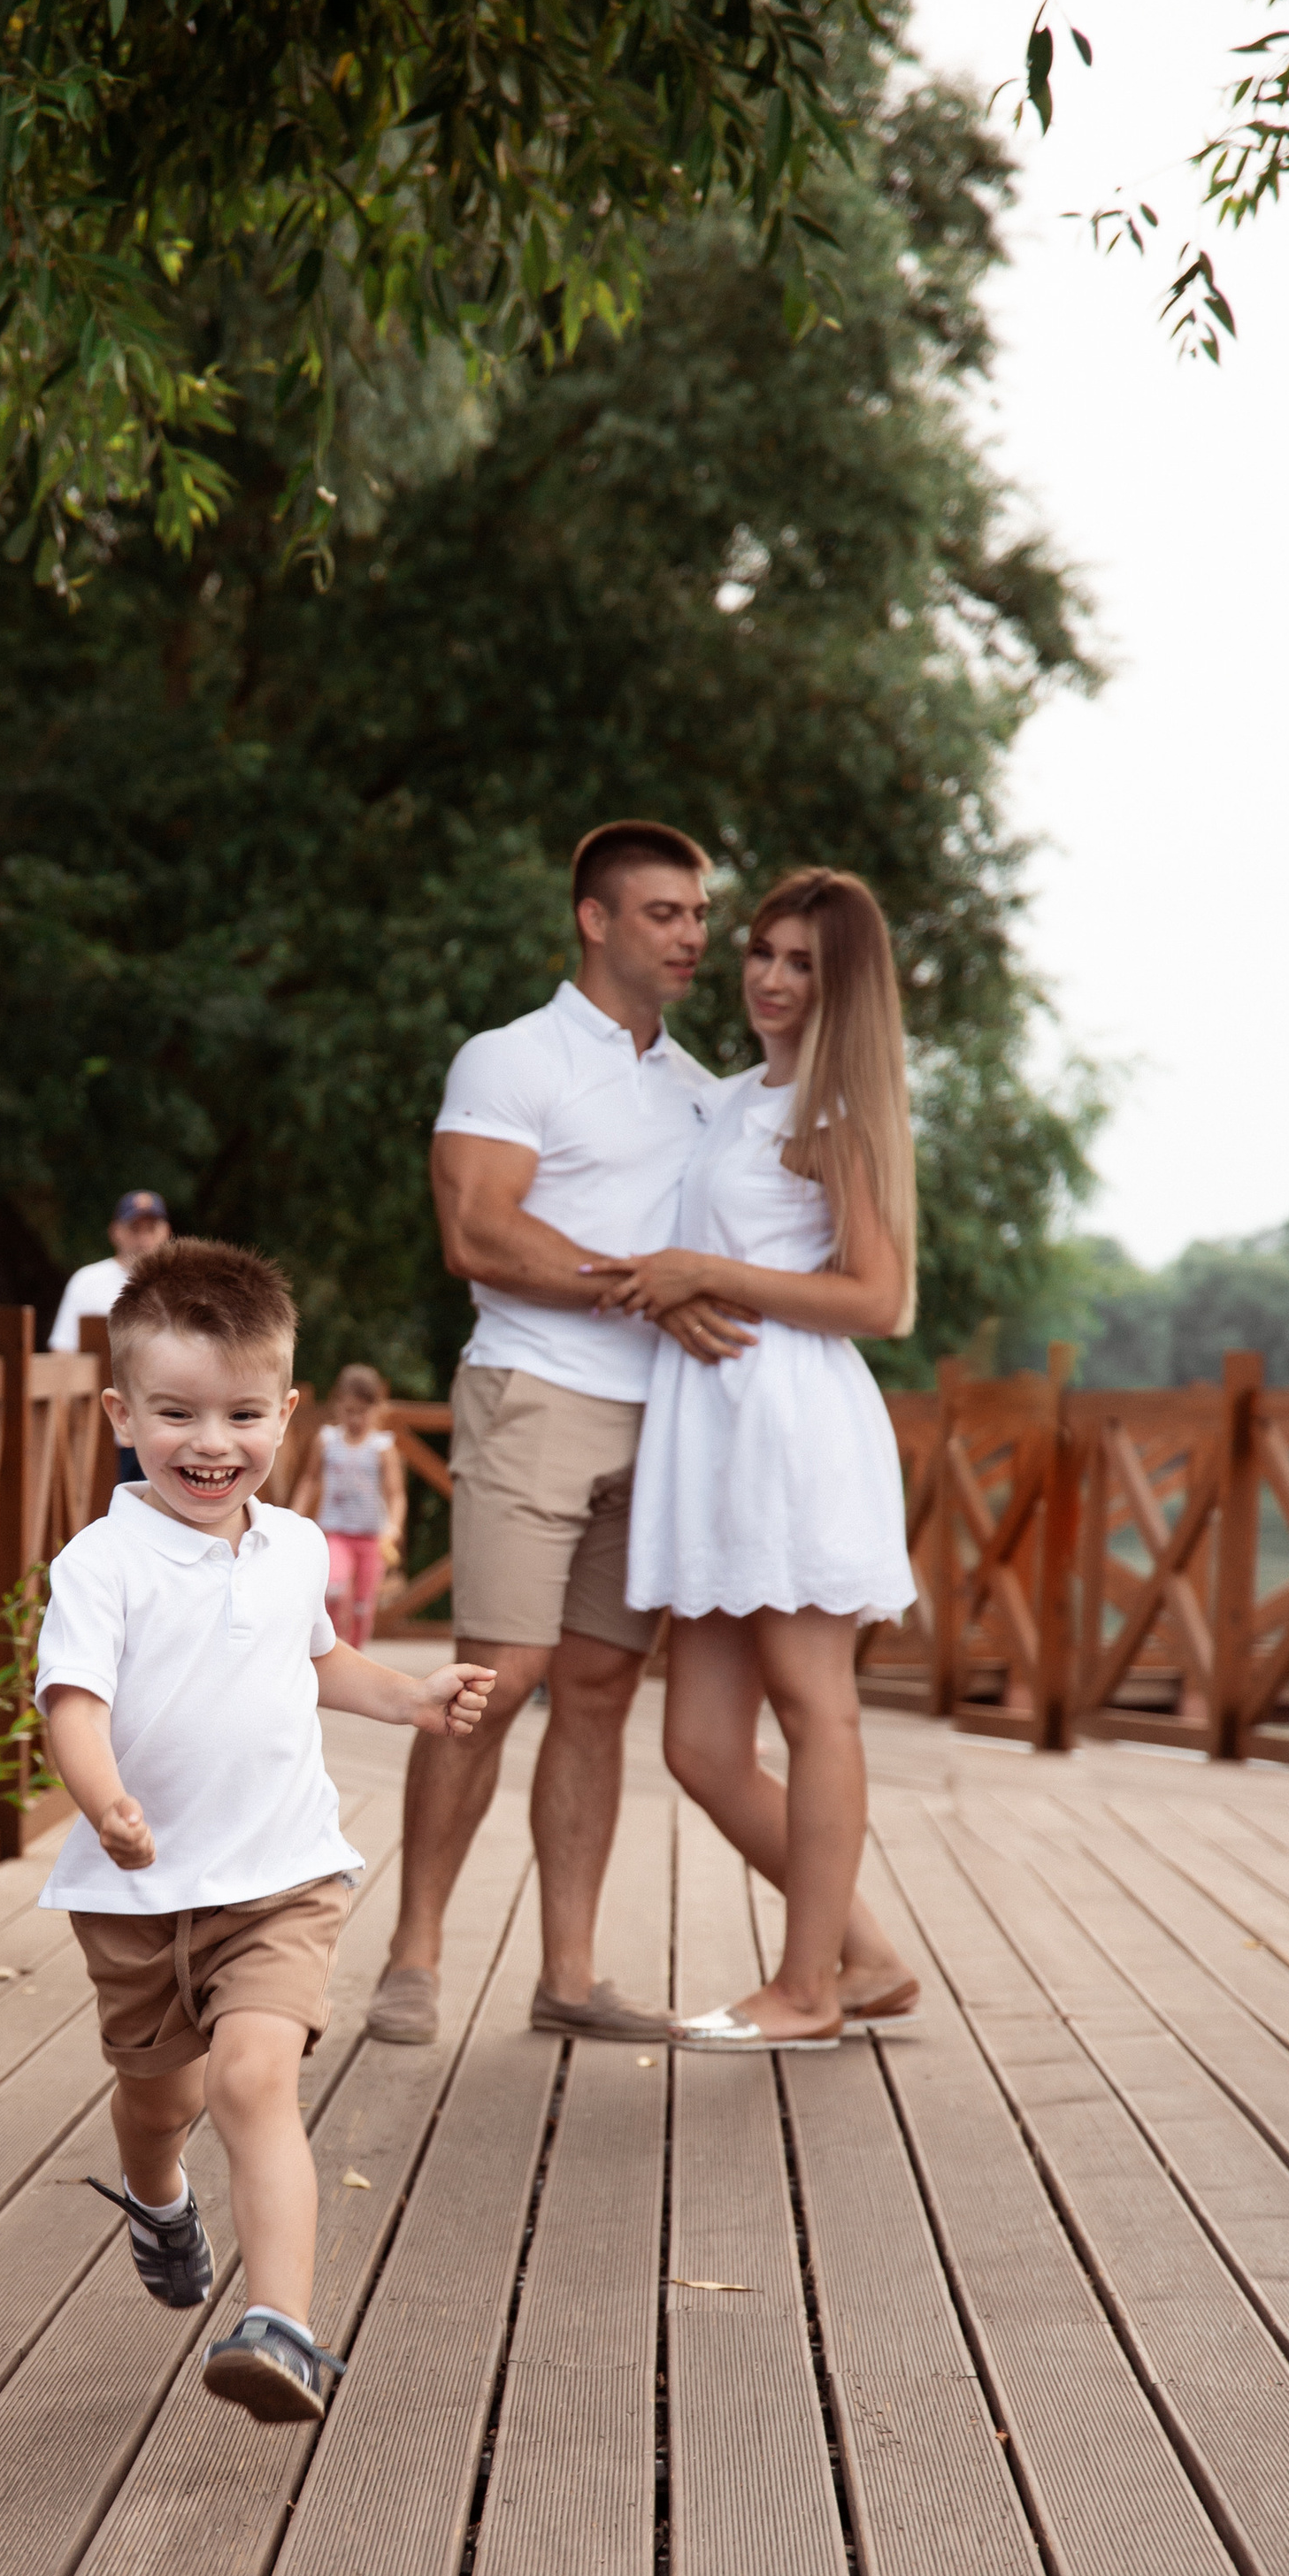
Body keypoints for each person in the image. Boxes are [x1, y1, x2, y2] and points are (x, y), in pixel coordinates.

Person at [35, 1238, 494, 2423]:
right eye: (177, 1412)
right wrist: (104, 1803)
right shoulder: (102, 1564)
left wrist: (413, 1697)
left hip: (282, 1879)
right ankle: (158, 2196)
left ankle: (281, 2327)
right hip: (139, 1896)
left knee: (252, 2081)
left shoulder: (292, 1548)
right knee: (160, 2104)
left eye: (243, 1413)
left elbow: (323, 1660)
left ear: (285, 1412)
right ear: (120, 1413)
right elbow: (71, 1705)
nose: (212, 1443)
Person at [367, 819, 751, 2050]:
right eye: (664, 913)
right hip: (533, 1391)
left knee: (597, 1690)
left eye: (698, 915)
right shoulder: (512, 1058)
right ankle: (414, 1956)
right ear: (595, 919)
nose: (693, 935)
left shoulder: (703, 1095)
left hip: (664, 1420)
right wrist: (648, 1283)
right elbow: (479, 1231)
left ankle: (570, 1977)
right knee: (498, 1678)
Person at [594, 867, 921, 2045]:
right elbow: (681, 1250)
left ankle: (809, 1990)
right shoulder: (731, 1101)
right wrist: (675, 1289)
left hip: (791, 1425)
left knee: (811, 1701)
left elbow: (881, 1299)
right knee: (697, 1745)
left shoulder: (838, 1112)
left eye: (803, 965)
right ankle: (868, 1955)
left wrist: (707, 1277)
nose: (773, 981)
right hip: (711, 1432)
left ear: (845, 987)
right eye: (764, 954)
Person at [291, 1363, 406, 1651]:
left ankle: (356, 1652)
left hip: (371, 1537)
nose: (355, 1418)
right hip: (336, 1532)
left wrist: (393, 1526)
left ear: (377, 1408)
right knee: (334, 1587)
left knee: (362, 1604)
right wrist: (293, 1515)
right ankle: (333, 1647)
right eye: (348, 1410)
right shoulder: (327, 1440)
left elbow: (396, 1494)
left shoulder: (382, 1447)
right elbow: (309, 1479)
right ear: (337, 1404)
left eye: (362, 1411)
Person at [48, 1190, 173, 1352]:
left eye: (151, 1229)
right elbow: (63, 1349)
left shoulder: (184, 1285)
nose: (144, 1239)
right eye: (135, 1229)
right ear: (115, 1232)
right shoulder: (87, 1281)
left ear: (166, 1232)